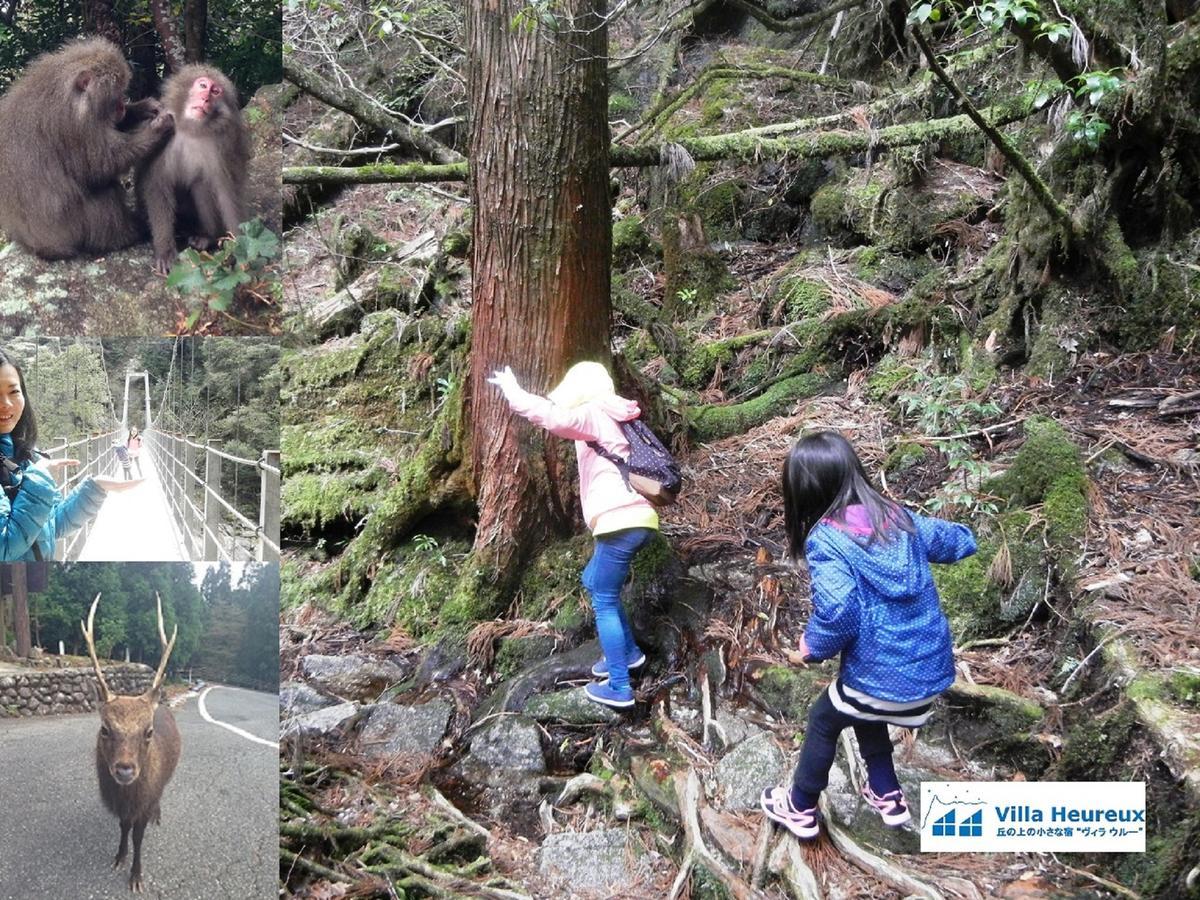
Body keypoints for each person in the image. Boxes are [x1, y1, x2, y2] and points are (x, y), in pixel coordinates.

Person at [760, 431, 976, 839]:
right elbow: (952, 540)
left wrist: (811, 648)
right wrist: (968, 536)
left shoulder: (826, 537)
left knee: (824, 718)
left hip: (886, 675)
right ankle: (887, 794)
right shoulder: (897, 516)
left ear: (803, 489)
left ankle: (800, 806)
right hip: (930, 674)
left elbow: (839, 611)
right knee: (861, 709)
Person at [489, 361, 659, 710]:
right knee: (595, 581)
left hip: (619, 520)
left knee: (605, 599)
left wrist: (513, 392)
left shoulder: (595, 412)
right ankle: (627, 654)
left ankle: (619, 685)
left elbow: (555, 419)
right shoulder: (619, 413)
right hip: (639, 517)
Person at [0, 349, 141, 561]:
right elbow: (5, 547)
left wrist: (94, 489)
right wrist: (38, 479)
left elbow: (51, 525)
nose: (6, 404)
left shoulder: (27, 455)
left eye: (13, 392)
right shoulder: (35, 468)